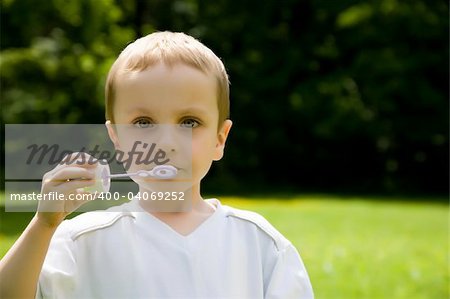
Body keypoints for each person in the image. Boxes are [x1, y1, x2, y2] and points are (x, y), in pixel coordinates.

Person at [0, 31, 314, 298]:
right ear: (116, 138)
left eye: (189, 122)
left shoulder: (259, 244)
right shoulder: (80, 240)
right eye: (144, 122)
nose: (166, 142)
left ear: (220, 138)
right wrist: (44, 225)